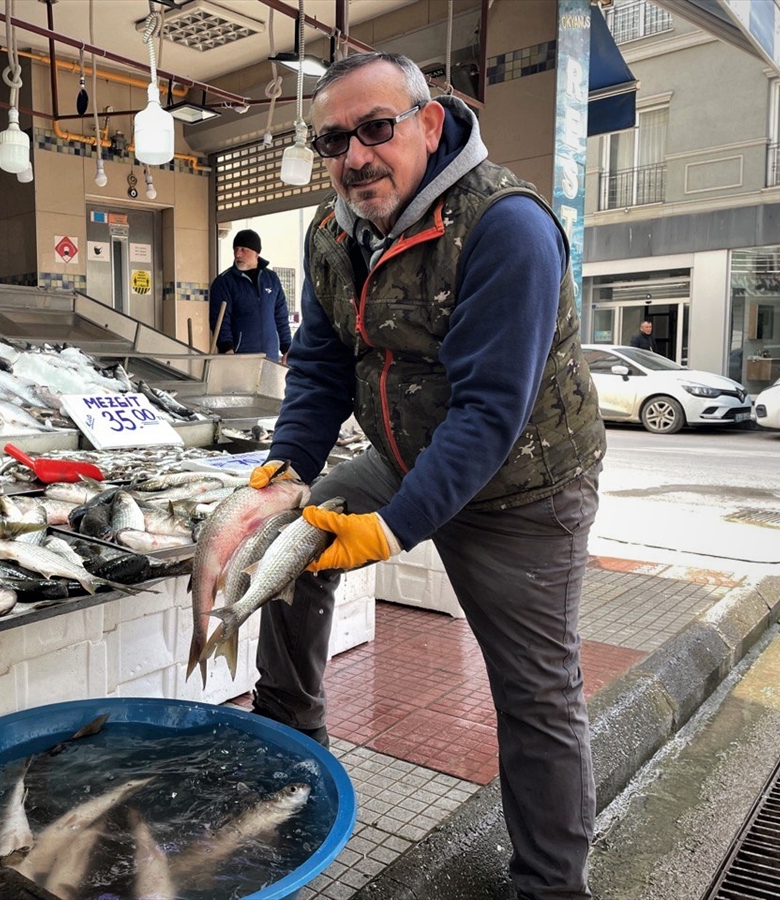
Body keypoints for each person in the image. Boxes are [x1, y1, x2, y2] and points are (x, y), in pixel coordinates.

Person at [244, 52, 606, 900]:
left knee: (535, 690)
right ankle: (290, 735)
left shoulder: (505, 226)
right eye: (334, 140)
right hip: (409, 454)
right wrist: (290, 465)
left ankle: (552, 885)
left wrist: (396, 526)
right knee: (290, 541)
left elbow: (488, 415)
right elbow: (321, 367)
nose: (356, 156)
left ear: (429, 123)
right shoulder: (332, 232)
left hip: (527, 485)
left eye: (377, 129)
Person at [208, 229, 293, 362]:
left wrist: (287, 347)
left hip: (270, 356)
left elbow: (281, 316)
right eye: (235, 249)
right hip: (239, 357)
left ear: (256, 253)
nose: (237, 254)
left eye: (243, 249)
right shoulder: (224, 282)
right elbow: (220, 320)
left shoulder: (271, 279)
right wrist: (226, 349)